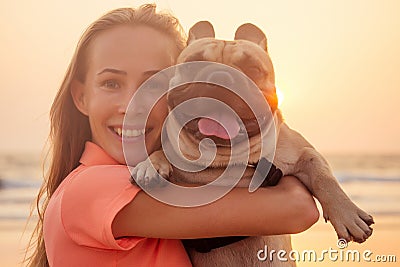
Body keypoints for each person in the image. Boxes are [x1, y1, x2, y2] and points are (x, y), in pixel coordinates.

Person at [24, 4, 319, 267]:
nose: (132, 105)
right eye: (111, 83)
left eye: (155, 83)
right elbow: (297, 209)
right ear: (81, 96)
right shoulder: (95, 188)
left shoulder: (164, 177)